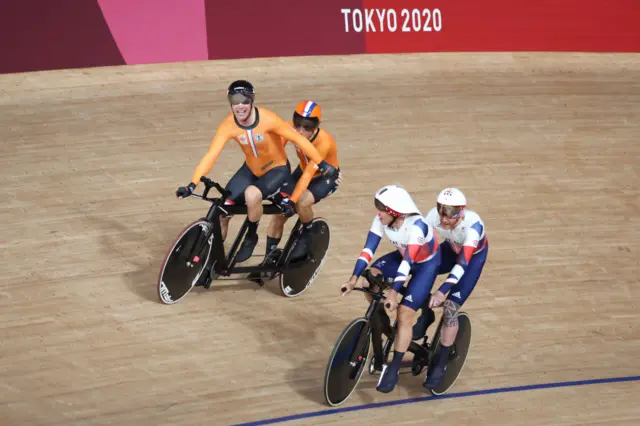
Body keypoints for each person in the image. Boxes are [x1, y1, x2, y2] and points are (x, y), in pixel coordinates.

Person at [175, 80, 339, 263]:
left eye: (244, 100)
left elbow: (303, 155)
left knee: (288, 201)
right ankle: (212, 261)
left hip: (302, 173)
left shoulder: (272, 120)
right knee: (223, 210)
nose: (301, 130)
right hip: (255, 169)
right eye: (235, 100)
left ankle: (258, 236)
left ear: (252, 100)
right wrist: (192, 183)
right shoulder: (228, 125)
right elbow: (211, 155)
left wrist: (321, 164)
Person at [341, 184, 441, 394]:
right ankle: (382, 323)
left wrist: (394, 292)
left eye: (381, 209)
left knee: (404, 314)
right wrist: (353, 279)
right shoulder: (382, 219)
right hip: (403, 256)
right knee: (370, 278)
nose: (377, 213)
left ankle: (393, 367)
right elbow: (368, 250)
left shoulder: (417, 226)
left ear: (395, 212)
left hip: (424, 265)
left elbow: (407, 264)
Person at [417, 187, 488, 389]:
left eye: (451, 214)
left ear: (462, 212)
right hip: (452, 249)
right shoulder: (433, 216)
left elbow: (462, 265)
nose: (445, 219)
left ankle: (441, 361)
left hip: (471, 259)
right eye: (441, 211)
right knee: (423, 273)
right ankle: (425, 315)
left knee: (450, 307)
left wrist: (441, 291)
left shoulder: (473, 227)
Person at [258, 100, 341, 265]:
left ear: (316, 126)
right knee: (279, 213)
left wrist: (292, 200)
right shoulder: (289, 128)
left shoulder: (324, 141)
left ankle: (308, 235)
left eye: (307, 127)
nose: (301, 132)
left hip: (324, 177)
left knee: (302, 203)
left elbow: (309, 174)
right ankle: (268, 259)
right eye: (298, 125)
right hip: (302, 170)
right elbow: (276, 154)